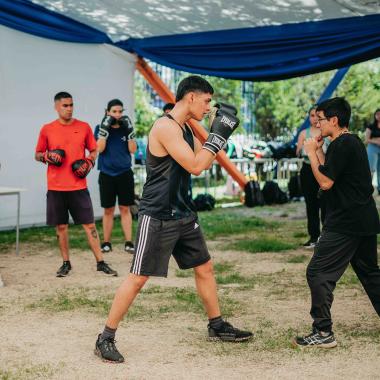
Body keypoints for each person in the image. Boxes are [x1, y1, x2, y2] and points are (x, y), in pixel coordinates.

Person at [94, 75, 253, 363]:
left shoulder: (186, 127)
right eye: (206, 101)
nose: (208, 107)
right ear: (190, 97)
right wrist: (217, 135)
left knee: (204, 267)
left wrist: (217, 132)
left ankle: (216, 325)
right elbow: (195, 165)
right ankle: (105, 337)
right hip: (158, 215)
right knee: (138, 278)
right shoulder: (165, 127)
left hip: (183, 212)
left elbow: (210, 157)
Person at [293, 97, 380, 349]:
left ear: (334, 120)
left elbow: (325, 182)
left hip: (346, 222)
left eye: (320, 119)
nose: (317, 124)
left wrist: (310, 152)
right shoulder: (346, 142)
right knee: (370, 274)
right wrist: (318, 150)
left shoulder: (343, 143)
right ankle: (322, 330)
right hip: (362, 219)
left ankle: (323, 331)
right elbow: (330, 172)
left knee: (318, 272)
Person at [35, 92, 118, 278]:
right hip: (56, 187)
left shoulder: (83, 127)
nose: (69, 108)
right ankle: (66, 263)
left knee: (89, 225)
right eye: (65, 105)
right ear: (56, 107)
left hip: (78, 187)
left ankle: (101, 262)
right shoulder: (47, 129)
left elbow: (95, 149)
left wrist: (89, 161)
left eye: (71, 105)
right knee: (61, 227)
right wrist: (47, 156)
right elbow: (38, 154)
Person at [94, 99, 137, 254]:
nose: (118, 115)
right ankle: (106, 242)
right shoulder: (99, 128)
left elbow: (133, 150)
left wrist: (130, 133)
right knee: (108, 210)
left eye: (120, 111)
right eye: (114, 111)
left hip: (124, 173)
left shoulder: (126, 128)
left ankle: (128, 242)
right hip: (107, 173)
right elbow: (99, 148)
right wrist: (105, 129)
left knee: (125, 208)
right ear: (108, 112)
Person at [296, 106, 327, 248]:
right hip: (308, 170)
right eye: (312, 115)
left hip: (323, 169)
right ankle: (314, 237)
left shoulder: (326, 132)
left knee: (326, 204)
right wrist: (305, 148)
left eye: (317, 116)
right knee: (311, 205)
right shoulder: (304, 133)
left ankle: (327, 237)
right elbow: (297, 152)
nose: (315, 119)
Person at [365, 108, 380, 195]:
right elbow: (366, 140)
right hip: (372, 148)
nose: (379, 116)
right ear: (375, 115)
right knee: (371, 169)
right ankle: (367, 188)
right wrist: (376, 141)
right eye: (377, 114)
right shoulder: (371, 126)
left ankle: (379, 189)